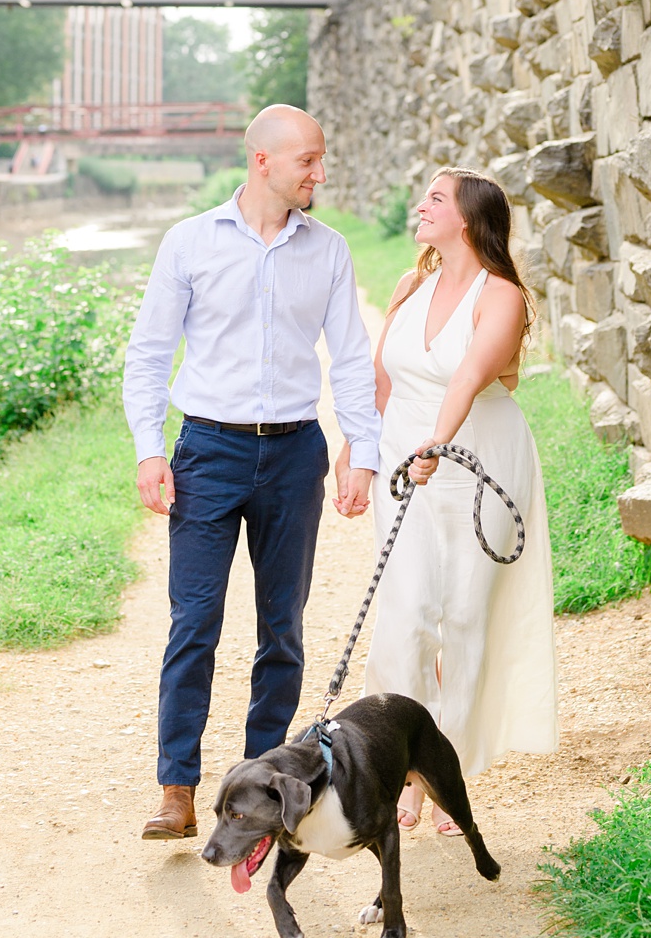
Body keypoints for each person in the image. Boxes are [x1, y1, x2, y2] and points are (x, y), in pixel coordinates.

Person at [123, 105, 382, 842]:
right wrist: (150, 447)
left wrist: (359, 450)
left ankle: (260, 788)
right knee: (194, 624)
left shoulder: (327, 250)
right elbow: (148, 354)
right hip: (207, 451)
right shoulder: (190, 244)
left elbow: (353, 356)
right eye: (308, 160)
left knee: (282, 632)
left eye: (321, 158)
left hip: (294, 453)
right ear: (262, 161)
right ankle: (177, 790)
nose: (320, 173)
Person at [344, 166, 556, 832]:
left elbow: (469, 373)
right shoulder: (410, 285)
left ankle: (441, 770)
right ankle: (398, 759)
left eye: (434, 198)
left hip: (479, 459)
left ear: (466, 217)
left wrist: (439, 439)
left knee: (464, 618)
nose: (420, 206)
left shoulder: (503, 295)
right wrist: (359, 451)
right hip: (407, 464)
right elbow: (382, 380)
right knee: (406, 613)